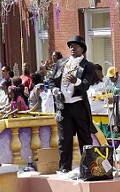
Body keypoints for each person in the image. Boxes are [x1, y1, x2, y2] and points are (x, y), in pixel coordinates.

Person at [48, 35, 96, 172]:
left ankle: (88, 169)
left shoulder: (88, 66)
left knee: (85, 138)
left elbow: (86, 85)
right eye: (70, 46)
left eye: (76, 45)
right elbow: (51, 80)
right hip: (63, 107)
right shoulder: (61, 63)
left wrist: (77, 81)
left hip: (79, 106)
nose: (72, 48)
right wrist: (55, 89)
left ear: (82, 49)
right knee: (64, 140)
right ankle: (64, 168)